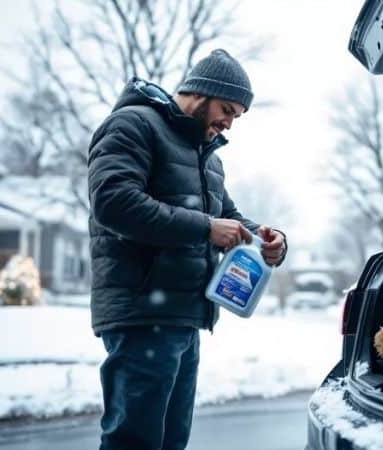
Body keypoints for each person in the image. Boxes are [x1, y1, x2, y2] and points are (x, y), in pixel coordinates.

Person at [87, 49, 287, 450]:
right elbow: (113, 202)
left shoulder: (205, 157)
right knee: (135, 442)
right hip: (143, 313)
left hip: (184, 316)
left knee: (171, 442)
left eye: (236, 116)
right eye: (226, 109)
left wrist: (269, 240)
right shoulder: (132, 125)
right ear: (199, 93)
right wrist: (206, 228)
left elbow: (227, 215)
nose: (229, 123)